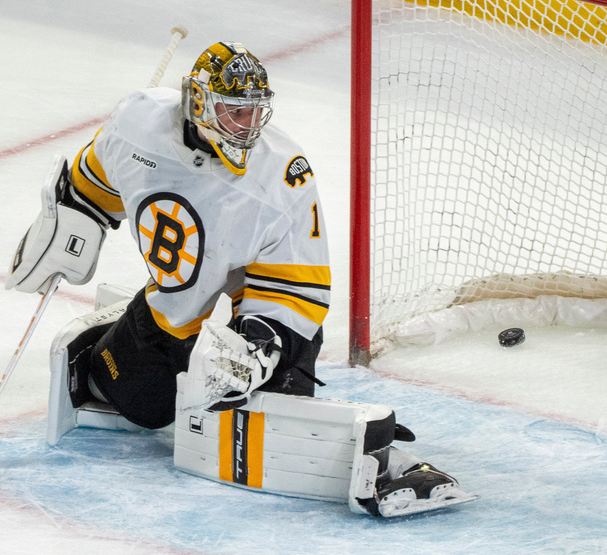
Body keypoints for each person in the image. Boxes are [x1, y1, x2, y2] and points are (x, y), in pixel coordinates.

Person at [7, 41, 472, 517]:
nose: (247, 126)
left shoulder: (282, 175)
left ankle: (389, 460)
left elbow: (301, 288)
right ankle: (120, 339)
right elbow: (94, 185)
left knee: (265, 426)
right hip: (170, 319)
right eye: (234, 111)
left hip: (246, 327)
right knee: (128, 401)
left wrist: (256, 349)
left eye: (255, 112)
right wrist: (70, 223)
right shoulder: (137, 124)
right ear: (198, 102)